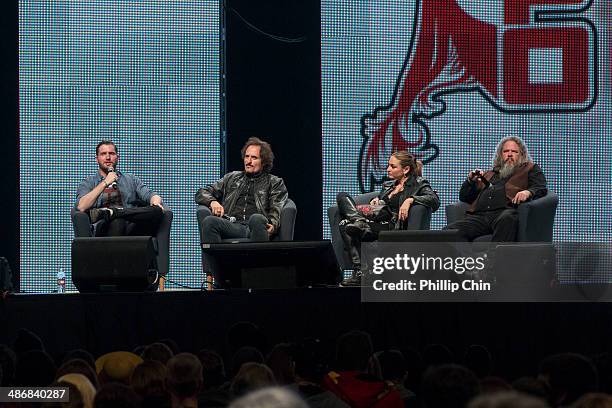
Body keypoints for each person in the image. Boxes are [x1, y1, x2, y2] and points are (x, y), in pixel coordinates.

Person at [336, 150, 439, 286]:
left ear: (406, 169)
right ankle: (359, 222)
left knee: (345, 225)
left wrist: (410, 200)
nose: (388, 169)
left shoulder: (418, 184)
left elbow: (434, 200)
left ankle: (361, 273)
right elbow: (382, 204)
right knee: (342, 197)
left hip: (391, 226)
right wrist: (375, 200)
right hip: (376, 221)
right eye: (388, 165)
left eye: (393, 166)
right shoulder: (389, 185)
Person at [444, 135, 547, 242]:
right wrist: (470, 181)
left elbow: (540, 186)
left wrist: (528, 192)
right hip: (480, 217)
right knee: (448, 232)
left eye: (514, 151)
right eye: (506, 151)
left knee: (508, 218)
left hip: (504, 213)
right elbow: (465, 197)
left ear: (521, 154)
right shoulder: (489, 174)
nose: (510, 154)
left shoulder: (530, 168)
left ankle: (495, 258)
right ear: (500, 155)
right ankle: (470, 259)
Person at [196, 137, 288, 243]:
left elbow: (277, 208)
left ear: (263, 162)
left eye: (254, 158)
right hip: (233, 226)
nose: (248, 161)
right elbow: (202, 192)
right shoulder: (232, 178)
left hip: (256, 226)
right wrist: (212, 202)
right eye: (246, 156)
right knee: (209, 221)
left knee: (257, 218)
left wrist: (273, 224)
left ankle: (258, 260)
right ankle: (218, 260)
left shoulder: (274, 182)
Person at [75, 140, 164, 237]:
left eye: (112, 153)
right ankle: (114, 215)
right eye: (103, 154)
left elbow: (151, 195)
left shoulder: (130, 179)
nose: (108, 157)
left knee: (157, 211)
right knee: (118, 221)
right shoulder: (88, 182)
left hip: (132, 226)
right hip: (105, 228)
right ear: (97, 159)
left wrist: (155, 201)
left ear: (117, 158)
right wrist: (105, 182)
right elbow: (81, 206)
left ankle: (115, 212)